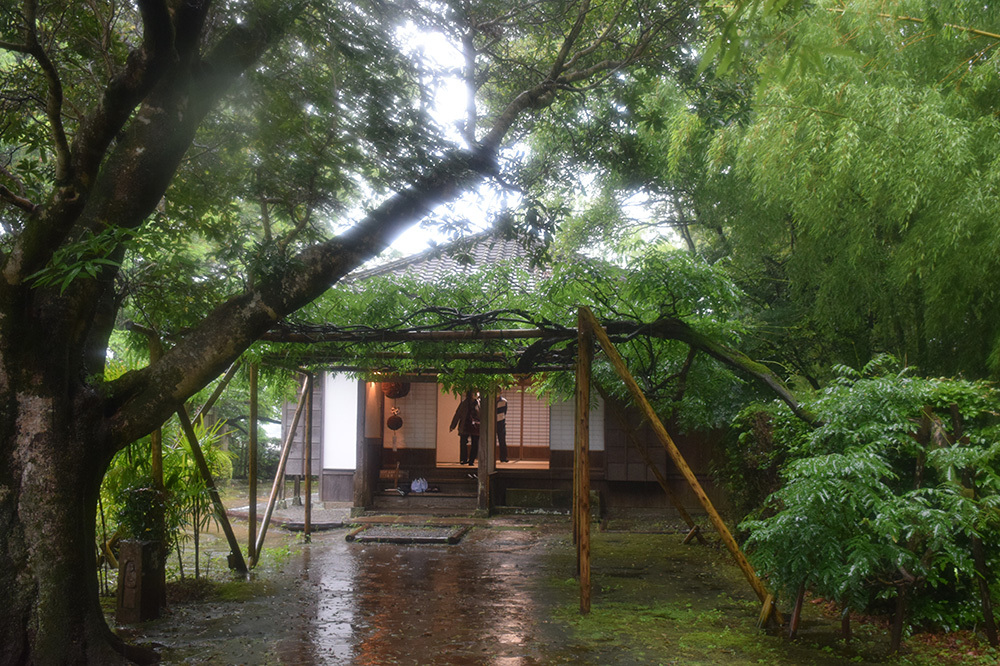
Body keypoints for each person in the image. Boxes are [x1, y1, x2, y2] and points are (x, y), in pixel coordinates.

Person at [449, 390, 481, 465]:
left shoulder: (479, 403)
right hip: (465, 425)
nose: (475, 394)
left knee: (475, 443)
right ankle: (463, 459)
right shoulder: (464, 403)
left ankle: (471, 460)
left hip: (476, 426)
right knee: (463, 443)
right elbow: (458, 415)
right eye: (474, 393)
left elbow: (482, 415)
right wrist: (452, 426)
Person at [496, 395, 509, 462]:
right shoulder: (491, 401)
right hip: (491, 422)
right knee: (490, 441)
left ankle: (503, 458)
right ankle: (489, 458)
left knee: (502, 440)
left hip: (501, 422)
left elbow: (505, 412)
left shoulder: (504, 401)